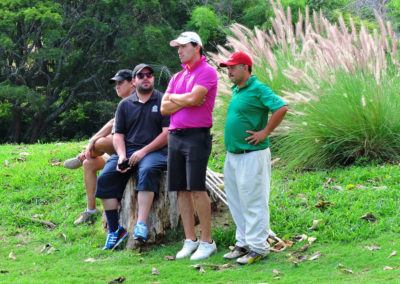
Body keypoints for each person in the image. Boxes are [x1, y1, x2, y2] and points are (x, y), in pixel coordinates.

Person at [219, 52, 288, 265]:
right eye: (227, 67)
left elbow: (281, 107)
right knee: (237, 201)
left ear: (246, 68)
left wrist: (265, 132)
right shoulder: (237, 90)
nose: (228, 71)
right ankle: (244, 243)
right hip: (234, 155)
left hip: (252, 155)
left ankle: (259, 247)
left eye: (233, 67)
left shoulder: (258, 88)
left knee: (254, 200)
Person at [96, 63, 169, 250]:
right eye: (141, 75)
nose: (146, 78)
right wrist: (121, 156)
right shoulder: (125, 104)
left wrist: (143, 152)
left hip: (155, 151)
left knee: (147, 169)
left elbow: (167, 133)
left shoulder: (163, 100)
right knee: (105, 178)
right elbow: (118, 134)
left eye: (149, 75)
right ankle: (115, 230)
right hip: (128, 150)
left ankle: (141, 224)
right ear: (134, 81)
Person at [161, 31, 218, 261]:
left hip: (197, 136)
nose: (179, 50)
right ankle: (190, 240)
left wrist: (176, 98)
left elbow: (197, 100)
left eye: (183, 46)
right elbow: (164, 108)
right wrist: (182, 98)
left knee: (196, 188)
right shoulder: (176, 77)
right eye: (178, 47)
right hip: (175, 135)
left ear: (197, 47)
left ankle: (207, 242)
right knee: (181, 190)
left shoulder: (208, 71)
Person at [63, 69, 135, 225]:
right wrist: (91, 140)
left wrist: (95, 142)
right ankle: (91, 210)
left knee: (102, 143)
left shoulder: (138, 99)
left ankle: (82, 156)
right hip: (119, 151)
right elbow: (112, 123)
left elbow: (116, 128)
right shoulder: (124, 102)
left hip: (133, 151)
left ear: (132, 83)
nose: (117, 87)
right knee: (89, 163)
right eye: (116, 84)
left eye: (121, 83)